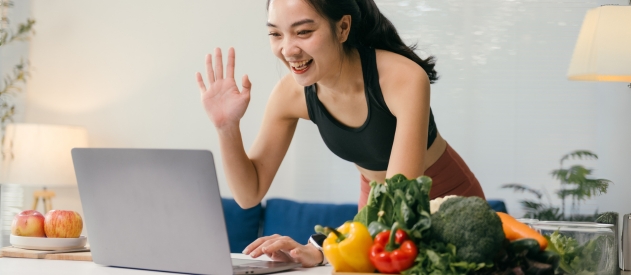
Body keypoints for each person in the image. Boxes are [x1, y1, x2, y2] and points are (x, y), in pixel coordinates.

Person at [195, 0, 486, 268]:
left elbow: (400, 198)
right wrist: (227, 127)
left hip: (447, 206)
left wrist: (322, 249)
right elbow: (249, 194)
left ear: (343, 27)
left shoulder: (402, 78)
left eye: (304, 31)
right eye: (276, 34)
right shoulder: (290, 94)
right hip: (375, 212)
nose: (288, 49)